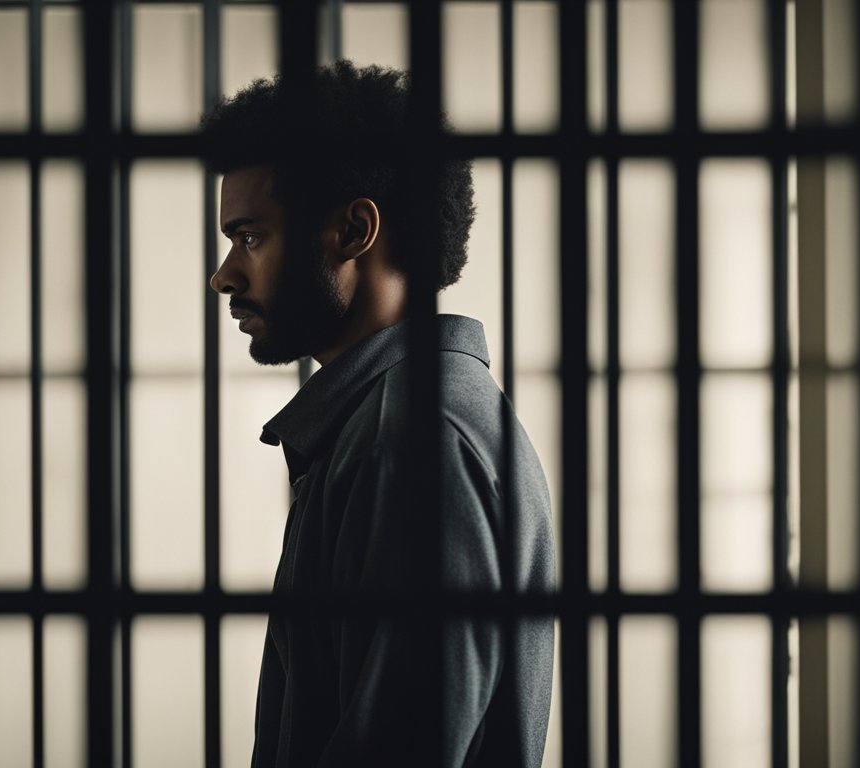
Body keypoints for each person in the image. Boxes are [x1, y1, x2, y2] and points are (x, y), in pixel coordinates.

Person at [203, 61, 555, 767]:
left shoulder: (412, 440)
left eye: (251, 236)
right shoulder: (404, 421)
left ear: (353, 230)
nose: (225, 275)